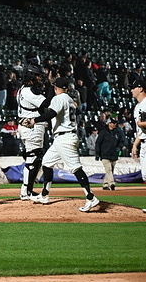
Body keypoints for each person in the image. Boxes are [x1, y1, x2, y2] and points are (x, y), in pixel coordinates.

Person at [29, 78, 99, 212]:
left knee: (76, 168)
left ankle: (91, 197)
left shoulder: (59, 98)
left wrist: (34, 120)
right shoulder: (71, 100)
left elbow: (51, 113)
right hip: (63, 137)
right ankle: (44, 195)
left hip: (65, 138)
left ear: (56, 88)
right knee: (47, 162)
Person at [17, 64, 49, 200]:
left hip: (28, 125)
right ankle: (26, 192)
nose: (39, 78)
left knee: (33, 158)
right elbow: (46, 103)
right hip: (32, 127)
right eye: (37, 75)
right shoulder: (29, 91)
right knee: (33, 159)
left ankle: (26, 190)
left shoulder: (22, 89)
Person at [95, 118, 125, 191]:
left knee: (110, 171)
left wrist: (119, 147)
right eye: (113, 123)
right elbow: (98, 143)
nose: (114, 124)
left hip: (114, 154)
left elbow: (122, 141)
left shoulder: (118, 132)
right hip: (105, 154)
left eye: (115, 123)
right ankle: (112, 183)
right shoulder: (103, 132)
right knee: (109, 170)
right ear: (109, 124)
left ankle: (105, 185)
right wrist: (97, 154)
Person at [130, 80, 146, 183]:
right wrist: (135, 146)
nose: (131, 90)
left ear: (140, 89)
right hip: (143, 143)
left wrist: (141, 124)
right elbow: (140, 131)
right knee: (144, 176)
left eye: (133, 88)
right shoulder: (137, 107)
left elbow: (140, 125)